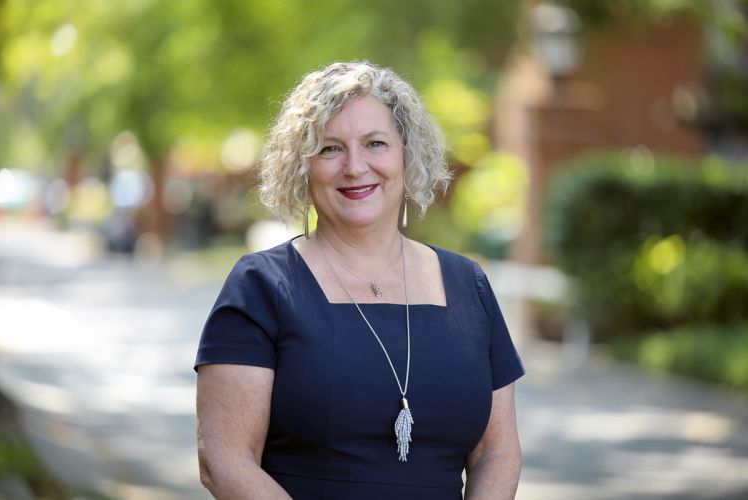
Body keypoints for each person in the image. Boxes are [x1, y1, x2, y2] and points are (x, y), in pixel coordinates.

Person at [195, 61, 525, 500]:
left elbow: (496, 452)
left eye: (375, 143)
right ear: (303, 165)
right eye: (330, 148)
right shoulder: (261, 288)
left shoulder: (469, 286)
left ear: (406, 155)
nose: (355, 167)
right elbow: (224, 461)